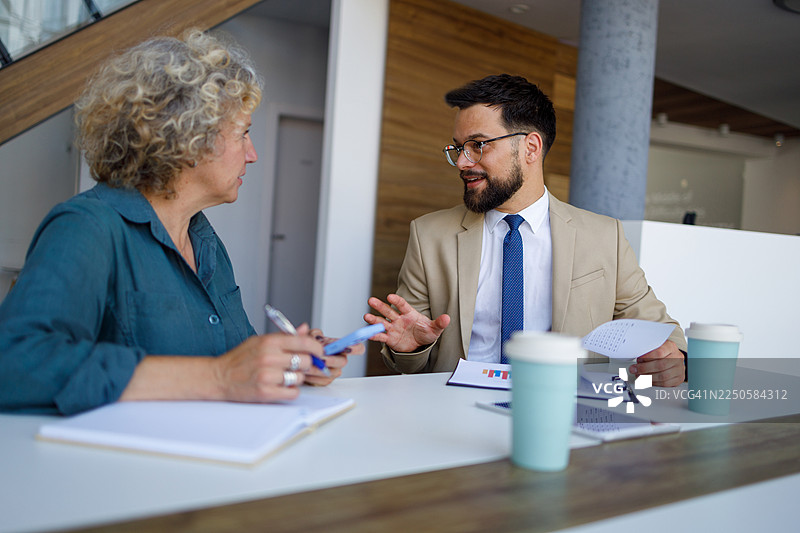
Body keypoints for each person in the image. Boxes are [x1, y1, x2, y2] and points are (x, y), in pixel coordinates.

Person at [0, 30, 356, 416]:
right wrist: (218, 377)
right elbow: (14, 363)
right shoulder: (87, 227)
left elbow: (230, 359)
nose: (252, 155)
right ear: (188, 138)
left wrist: (292, 362)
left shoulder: (204, 240)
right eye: (243, 134)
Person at [365, 74, 686, 387]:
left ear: (531, 148)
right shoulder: (428, 235)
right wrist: (409, 348)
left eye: (477, 145)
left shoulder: (604, 237)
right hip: (455, 411)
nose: (463, 162)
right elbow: (407, 355)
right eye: (459, 147)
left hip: (560, 409)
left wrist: (676, 360)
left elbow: (663, 331)